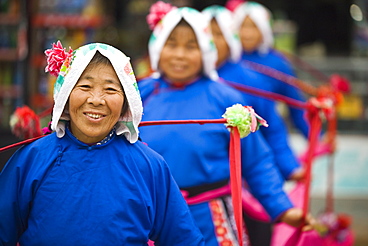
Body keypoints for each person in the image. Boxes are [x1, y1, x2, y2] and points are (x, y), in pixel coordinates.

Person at [139, 2, 314, 245]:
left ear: (206, 51)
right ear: (157, 48)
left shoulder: (226, 99)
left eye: (191, 46)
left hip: (210, 217)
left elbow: (256, 161)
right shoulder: (139, 95)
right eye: (171, 44)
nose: (179, 54)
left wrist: (283, 208)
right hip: (151, 217)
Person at [0, 42, 205, 245]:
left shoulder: (148, 166)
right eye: (85, 86)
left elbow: (183, 239)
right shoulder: (33, 158)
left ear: (126, 101)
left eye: (110, 89)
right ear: (65, 94)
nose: (96, 100)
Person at [202, 5, 304, 245]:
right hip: (201, 196)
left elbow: (274, 131)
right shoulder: (174, 84)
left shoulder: (251, 78)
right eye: (206, 34)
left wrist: (291, 166)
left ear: (230, 37)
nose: (213, 41)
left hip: (250, 186)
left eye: (219, 34)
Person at [233, 1, 310, 139]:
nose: (247, 33)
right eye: (242, 26)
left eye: (254, 27)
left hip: (267, 135)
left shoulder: (277, 63)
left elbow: (296, 105)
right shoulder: (228, 60)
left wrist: (317, 137)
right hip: (230, 137)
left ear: (264, 29)